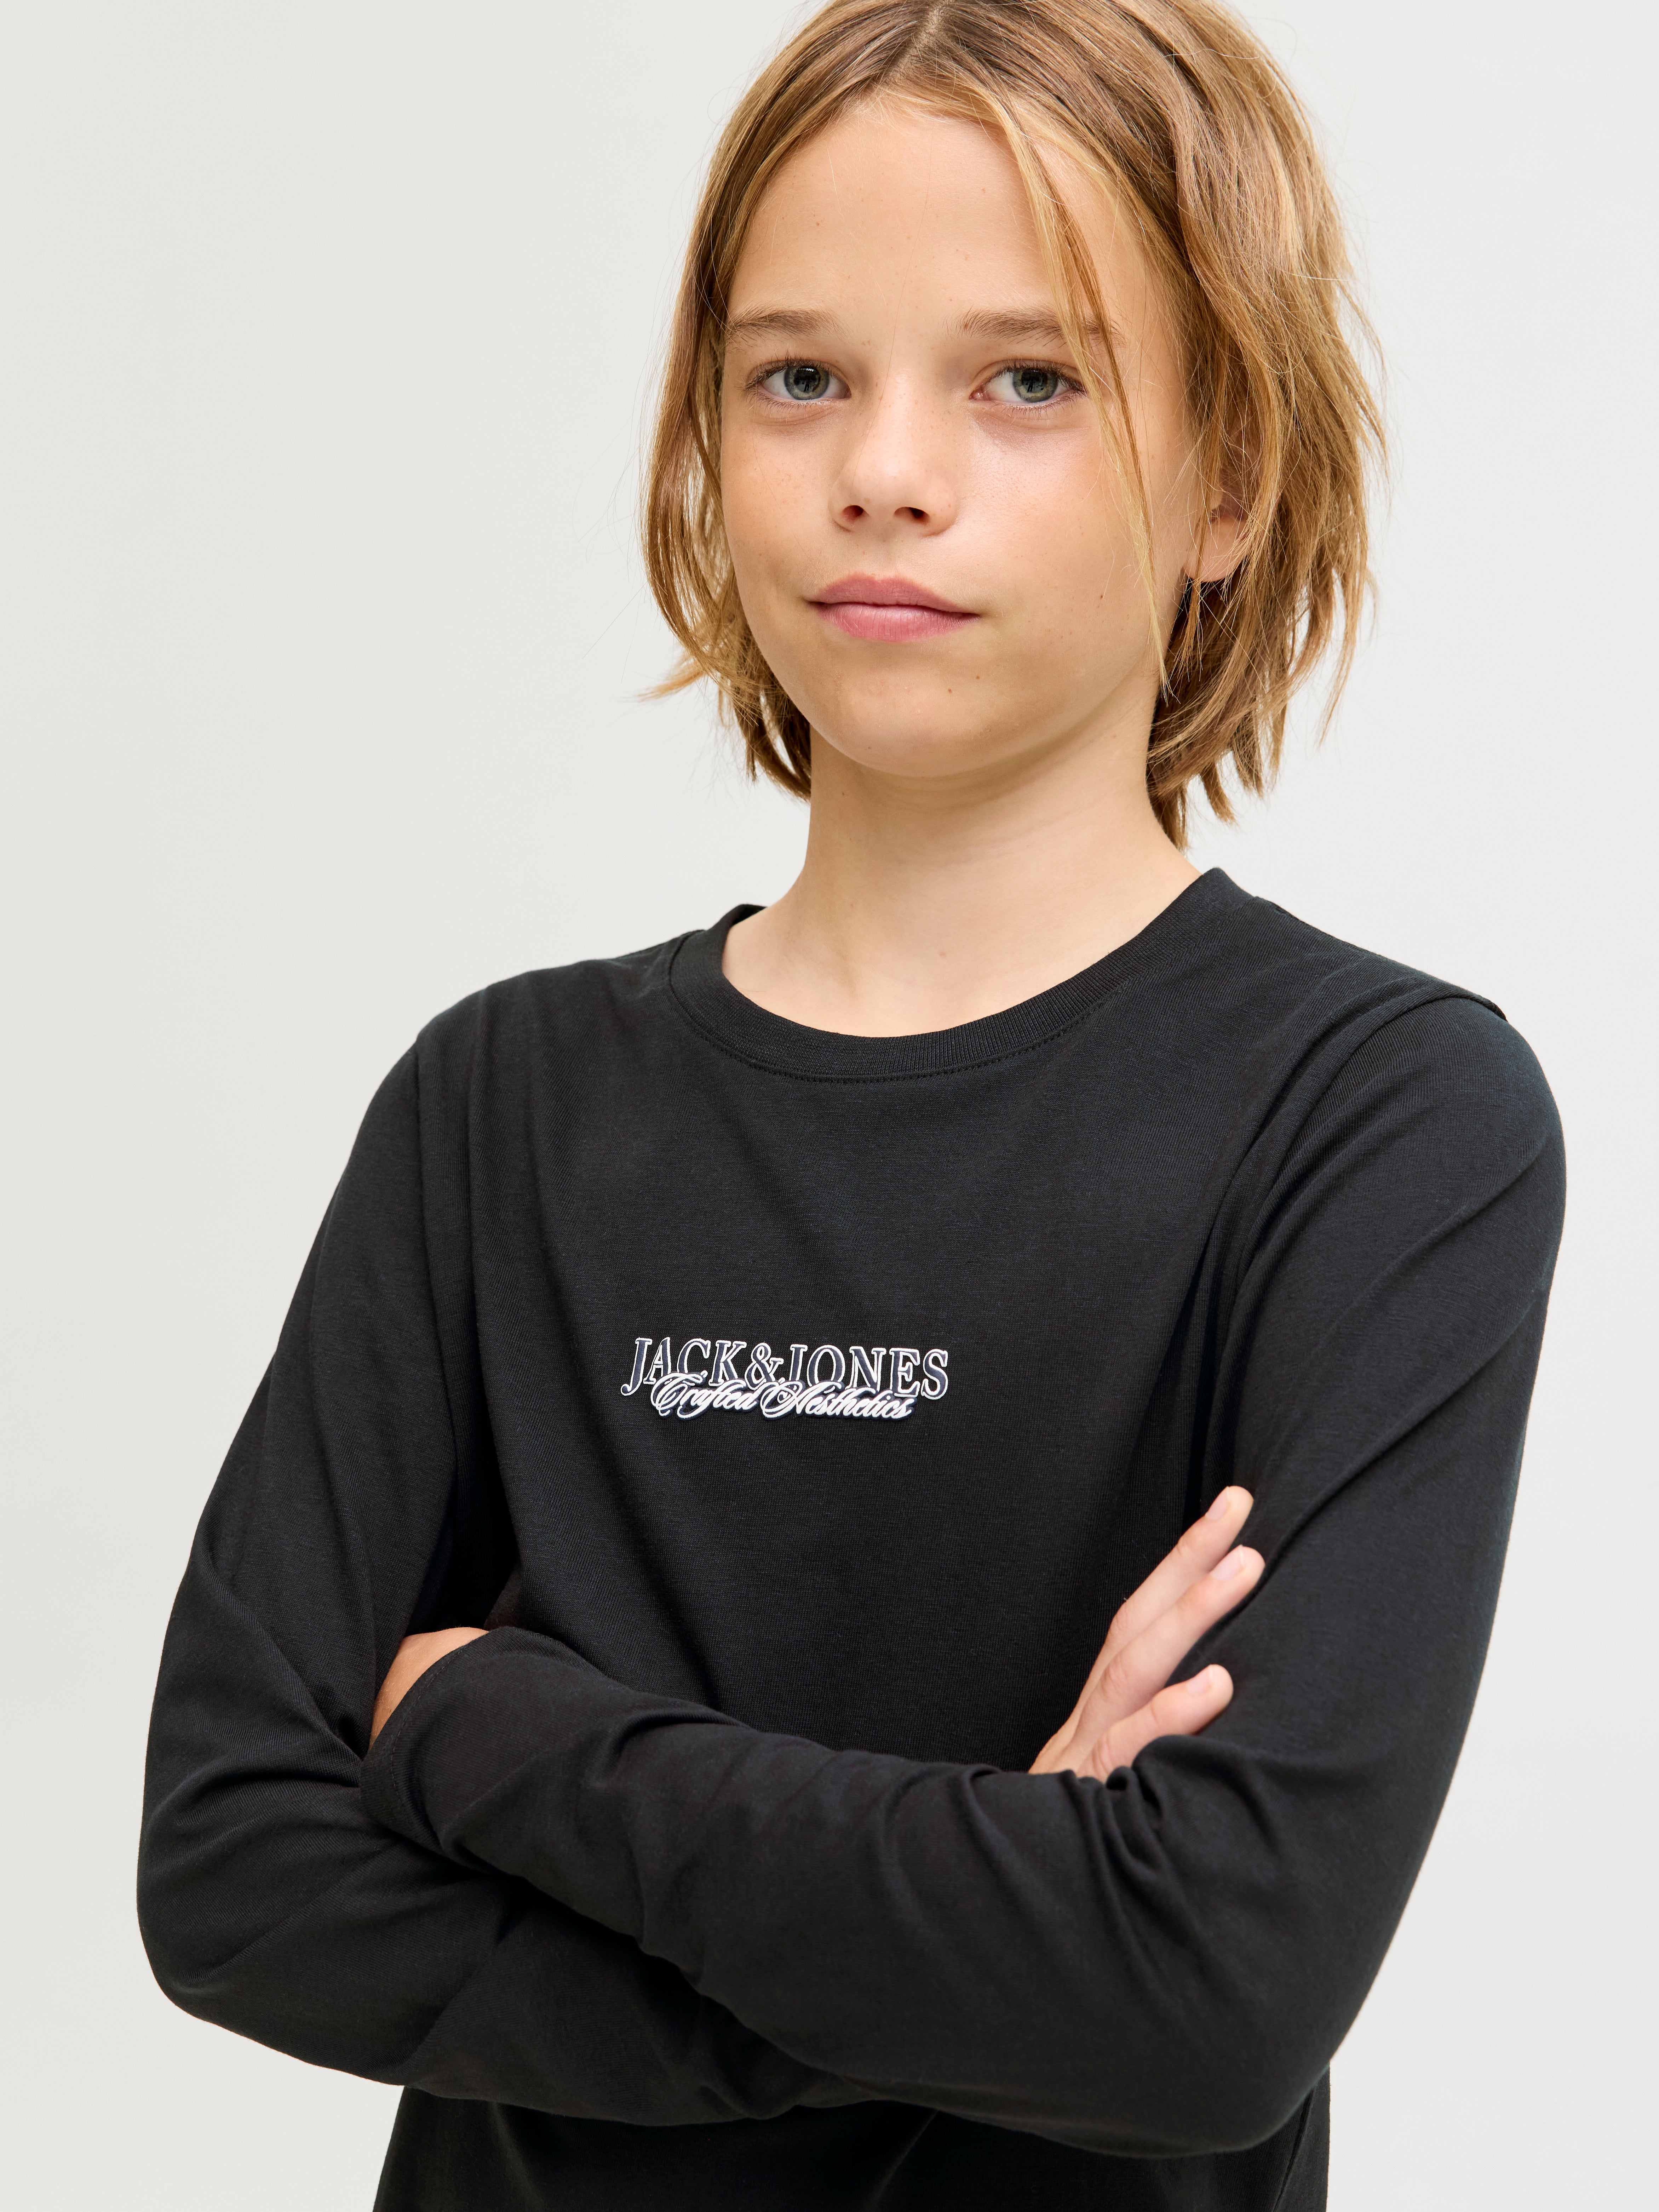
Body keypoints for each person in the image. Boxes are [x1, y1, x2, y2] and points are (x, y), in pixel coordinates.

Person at [136, 2, 1566, 2207]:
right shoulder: (499, 1105)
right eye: (799, 375)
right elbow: (235, 1872)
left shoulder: (1376, 1122)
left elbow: (1208, 2003)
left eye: (1030, 379)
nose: (887, 469)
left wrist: (491, 1724)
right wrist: (992, 1934)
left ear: (1231, 480)